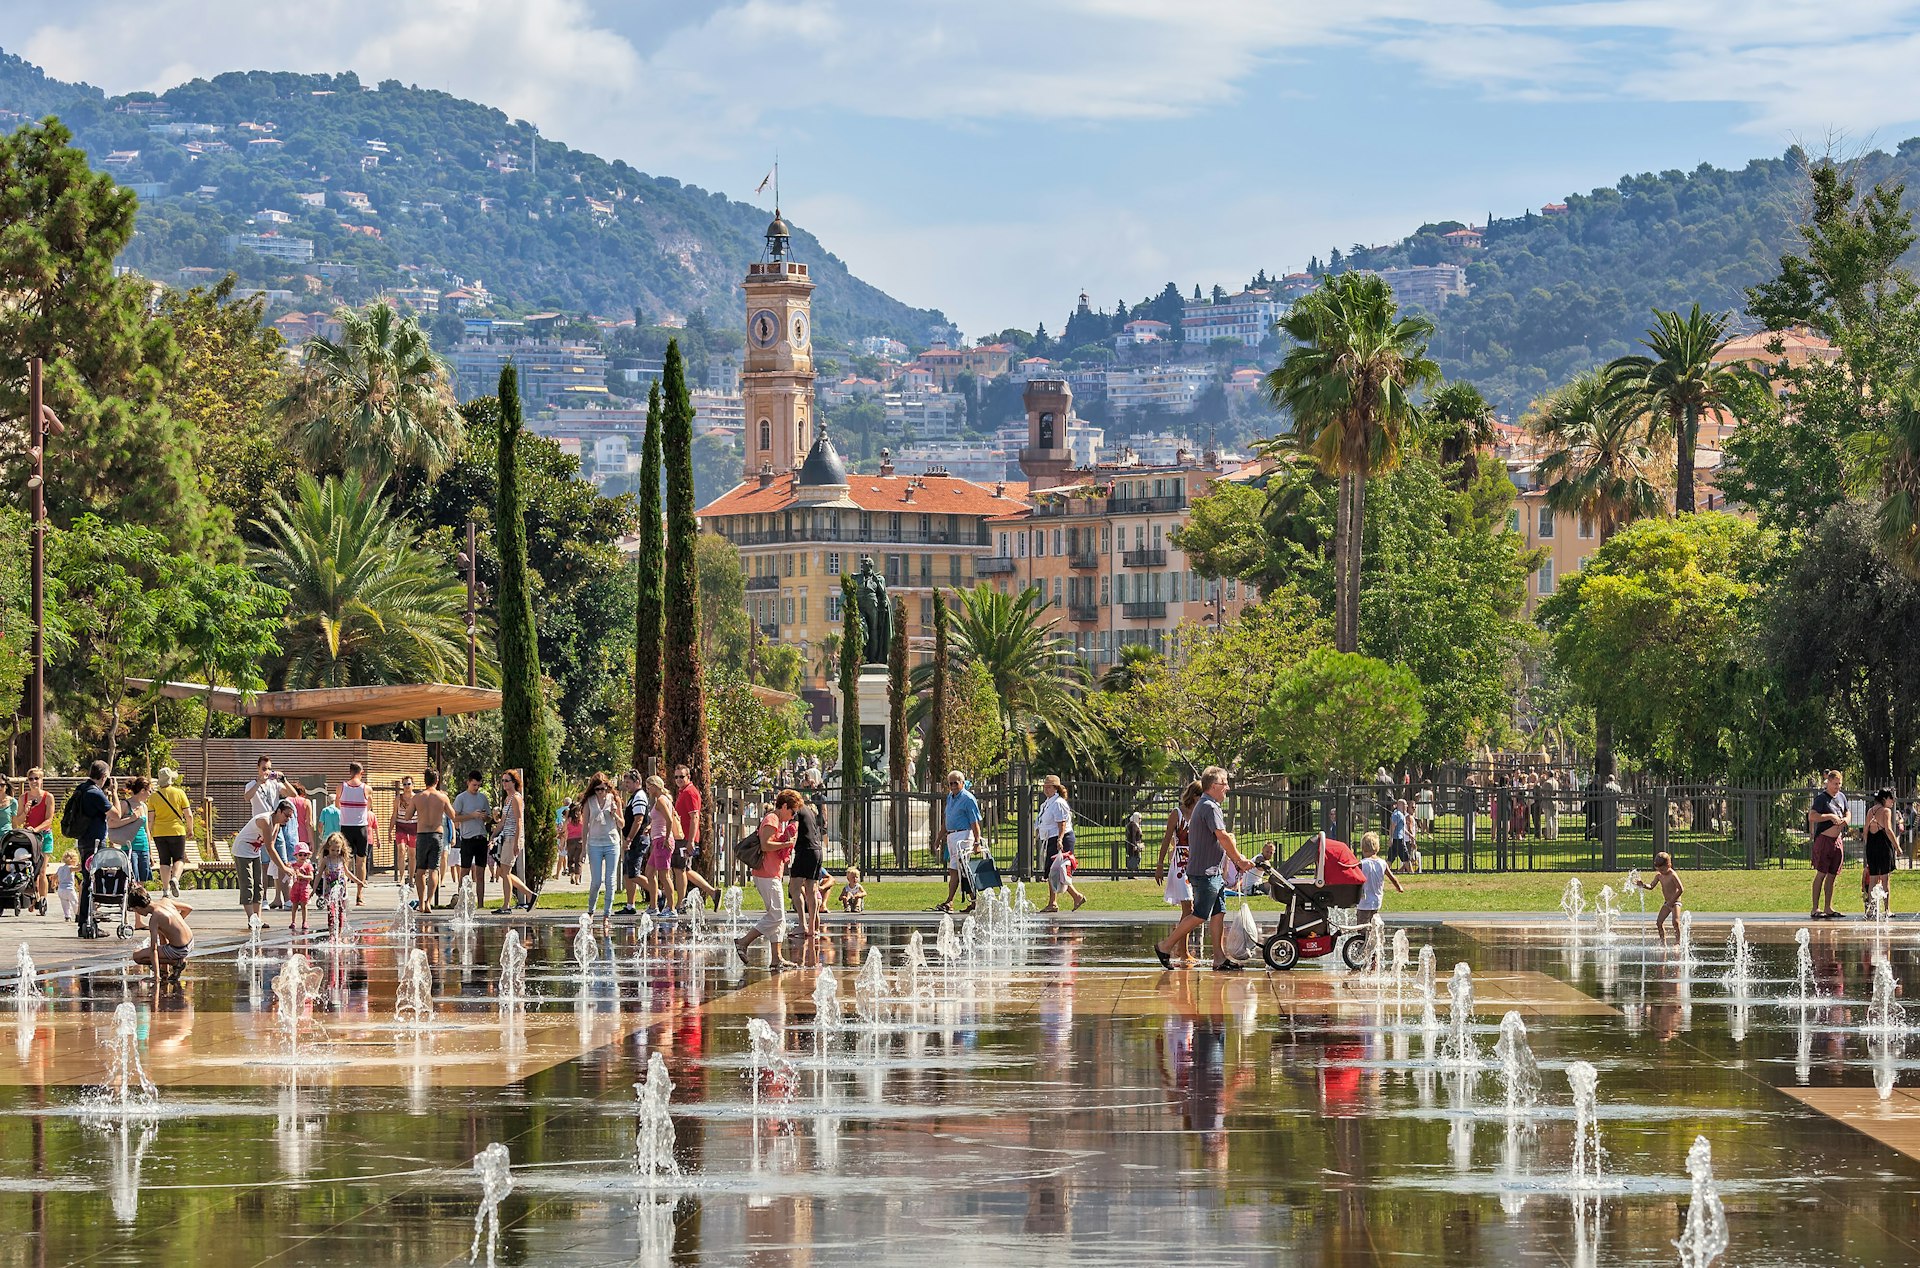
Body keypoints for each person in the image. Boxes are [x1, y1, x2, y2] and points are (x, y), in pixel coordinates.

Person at [1153, 767, 1254, 973]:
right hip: (1205, 871)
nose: (1227, 787)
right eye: (1225, 783)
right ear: (1214, 786)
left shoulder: (1206, 805)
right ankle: (1165, 946)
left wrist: (1235, 859)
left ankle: (1219, 958)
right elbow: (1223, 836)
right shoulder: (1209, 806)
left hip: (1211, 871)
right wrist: (1239, 860)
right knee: (1199, 914)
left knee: (1218, 913)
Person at [736, 788, 799, 968]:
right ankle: (743, 942)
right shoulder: (772, 819)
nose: (792, 816)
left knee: (779, 918)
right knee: (777, 916)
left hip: (772, 873)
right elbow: (765, 845)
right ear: (784, 806)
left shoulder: (777, 821)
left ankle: (776, 958)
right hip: (766, 874)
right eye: (792, 811)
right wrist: (788, 843)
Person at [232, 798, 296, 922]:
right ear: (278, 811)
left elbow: (271, 846)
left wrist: (283, 864)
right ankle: (252, 919)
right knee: (248, 884)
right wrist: (283, 867)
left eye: (290, 817)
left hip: (255, 852)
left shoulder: (277, 825)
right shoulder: (265, 821)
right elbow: (269, 848)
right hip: (242, 850)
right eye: (286, 815)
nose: (287, 819)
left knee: (259, 885)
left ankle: (258, 919)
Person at [71, 760, 112, 937]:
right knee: (93, 882)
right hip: (95, 843)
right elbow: (115, 815)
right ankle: (88, 923)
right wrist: (114, 794)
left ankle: (84, 922)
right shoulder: (96, 793)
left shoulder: (81, 788)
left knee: (88, 880)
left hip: (83, 841)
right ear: (103, 776)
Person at [1156, 782, 1202, 939]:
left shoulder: (1200, 813)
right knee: (1188, 908)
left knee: (1191, 909)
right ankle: (1180, 949)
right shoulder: (1177, 813)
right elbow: (1167, 838)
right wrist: (1160, 864)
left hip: (1195, 863)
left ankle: (1180, 947)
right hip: (1180, 864)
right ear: (1195, 796)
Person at [935, 769, 983, 914]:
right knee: (955, 870)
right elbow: (947, 820)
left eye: (956, 783)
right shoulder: (950, 797)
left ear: (962, 783)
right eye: (951, 784)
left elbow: (974, 822)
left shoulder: (968, 798)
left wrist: (977, 841)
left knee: (962, 870)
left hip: (963, 836)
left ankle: (956, 901)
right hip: (952, 836)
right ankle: (964, 901)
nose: (953, 786)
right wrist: (938, 838)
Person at [672, 764, 718, 911]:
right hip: (682, 836)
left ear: (688, 777)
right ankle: (712, 892)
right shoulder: (683, 792)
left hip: (685, 837)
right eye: (676, 777)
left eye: (682, 776)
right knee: (685, 869)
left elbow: (695, 817)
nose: (679, 779)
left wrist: (691, 840)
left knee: (679, 869)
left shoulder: (690, 792)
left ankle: (680, 903)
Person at [491, 770, 538, 913]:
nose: (504, 783)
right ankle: (529, 894)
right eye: (503, 781)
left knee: (505, 871)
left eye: (507, 781)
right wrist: (493, 836)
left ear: (514, 782)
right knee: (502, 872)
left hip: (513, 838)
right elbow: (503, 822)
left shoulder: (516, 798)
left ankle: (506, 905)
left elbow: (519, 821)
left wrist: (517, 841)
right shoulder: (507, 799)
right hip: (506, 837)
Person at [579, 773, 623, 921]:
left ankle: (606, 914)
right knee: (596, 881)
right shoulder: (589, 802)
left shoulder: (614, 800)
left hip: (611, 842)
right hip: (594, 843)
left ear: (607, 788)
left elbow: (622, 824)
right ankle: (591, 910)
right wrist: (583, 849)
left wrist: (615, 814)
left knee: (610, 881)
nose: (600, 792)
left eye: (603, 789)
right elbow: (585, 826)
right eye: (597, 789)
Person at [128, 885, 194, 983]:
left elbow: (153, 949)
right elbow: (189, 908)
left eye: (135, 910)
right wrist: (175, 924)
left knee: (137, 956)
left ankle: (176, 962)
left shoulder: (155, 918)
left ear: (138, 907)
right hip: (190, 942)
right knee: (161, 931)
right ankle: (164, 970)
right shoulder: (166, 901)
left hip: (179, 950)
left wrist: (155, 976)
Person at [411, 769, 454, 911]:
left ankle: (421, 903)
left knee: (420, 870)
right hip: (436, 834)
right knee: (434, 869)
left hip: (422, 835)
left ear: (425, 781)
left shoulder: (417, 797)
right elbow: (453, 815)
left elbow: (407, 816)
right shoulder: (442, 798)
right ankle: (429, 901)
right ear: (437, 781)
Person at [787, 792, 828, 941]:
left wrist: (787, 845)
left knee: (794, 887)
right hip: (817, 850)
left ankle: (802, 924)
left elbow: (794, 830)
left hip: (804, 851)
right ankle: (812, 927)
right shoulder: (809, 810)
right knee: (812, 889)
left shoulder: (797, 811)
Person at [148, 769, 195, 899]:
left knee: (164, 860)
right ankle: (175, 878)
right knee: (179, 858)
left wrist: (150, 832)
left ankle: (165, 890)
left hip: (159, 832)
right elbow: (188, 815)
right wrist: (190, 829)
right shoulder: (179, 793)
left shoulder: (153, 797)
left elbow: (151, 818)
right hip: (177, 830)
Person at [1808, 769, 1848, 920]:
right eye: (1834, 784)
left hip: (1837, 840)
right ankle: (1815, 908)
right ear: (1828, 783)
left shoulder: (1842, 797)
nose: (1837, 787)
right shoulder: (1821, 799)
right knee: (1821, 873)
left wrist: (1846, 820)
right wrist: (1830, 816)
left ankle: (1828, 907)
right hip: (1824, 839)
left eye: (1839, 784)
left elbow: (1847, 812)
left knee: (1832, 875)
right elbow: (1812, 816)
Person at [643, 774, 682, 916]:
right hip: (657, 840)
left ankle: (671, 908)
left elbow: (669, 820)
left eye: (649, 786)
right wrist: (650, 827)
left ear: (655, 786)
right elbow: (660, 819)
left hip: (662, 841)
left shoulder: (660, 800)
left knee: (664, 875)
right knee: (649, 872)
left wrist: (666, 838)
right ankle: (653, 906)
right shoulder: (662, 800)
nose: (647, 789)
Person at [452, 771, 491, 909]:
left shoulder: (483, 798)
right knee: (464, 872)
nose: (476, 788)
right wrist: (471, 815)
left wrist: (485, 817)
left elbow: (489, 817)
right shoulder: (461, 798)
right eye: (474, 785)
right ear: (468, 782)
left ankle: (480, 904)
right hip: (467, 838)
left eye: (478, 785)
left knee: (480, 873)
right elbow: (455, 818)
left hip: (481, 838)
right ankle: (462, 903)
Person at [1631, 851, 1686, 945]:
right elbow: (1651, 886)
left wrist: (1672, 901)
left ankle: (1678, 942)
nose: (1661, 872)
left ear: (1669, 865)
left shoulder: (1673, 875)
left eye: (1663, 870)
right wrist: (1643, 885)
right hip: (1667, 903)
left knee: (1675, 922)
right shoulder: (1659, 876)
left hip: (1675, 902)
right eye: (1659, 870)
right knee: (1659, 922)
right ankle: (1663, 942)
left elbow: (1681, 889)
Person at [337, 761, 372, 905]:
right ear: (361, 772)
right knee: (361, 861)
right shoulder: (367, 788)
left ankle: (343, 893)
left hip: (346, 827)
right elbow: (369, 806)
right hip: (361, 827)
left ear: (349, 771)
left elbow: (336, 804)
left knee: (344, 862)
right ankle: (360, 895)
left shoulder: (341, 787)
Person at [108, 776, 154, 885]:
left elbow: (147, 829)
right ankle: (130, 900)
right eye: (149, 791)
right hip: (129, 847)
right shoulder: (125, 804)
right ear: (142, 791)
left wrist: (150, 852)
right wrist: (131, 818)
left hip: (144, 847)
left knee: (142, 880)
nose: (150, 794)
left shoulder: (144, 806)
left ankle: (139, 901)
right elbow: (111, 823)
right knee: (132, 879)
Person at [1864, 789, 1903, 914]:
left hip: (1871, 845)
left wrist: (1867, 845)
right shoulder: (1886, 811)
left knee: (1873, 878)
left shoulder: (1871, 811)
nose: (1893, 801)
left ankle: (1870, 909)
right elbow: (1888, 830)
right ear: (1885, 798)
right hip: (1883, 846)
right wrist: (1897, 847)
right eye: (1892, 798)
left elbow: (1865, 830)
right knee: (1885, 878)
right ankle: (1887, 909)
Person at [618, 769, 650, 917]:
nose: (626, 786)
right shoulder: (633, 797)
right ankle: (630, 904)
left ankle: (659, 894)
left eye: (629, 783)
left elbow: (638, 819)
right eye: (625, 783)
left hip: (637, 840)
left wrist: (629, 839)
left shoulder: (639, 796)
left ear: (638, 782)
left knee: (634, 874)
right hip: (632, 839)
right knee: (627, 873)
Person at [19, 770, 53, 904]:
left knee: (42, 870)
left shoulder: (48, 797)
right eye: (31, 779)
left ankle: (43, 900)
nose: (34, 782)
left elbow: (49, 819)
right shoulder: (23, 798)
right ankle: (33, 896)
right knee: (30, 870)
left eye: (36, 778)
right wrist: (25, 811)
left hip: (44, 836)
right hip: (29, 838)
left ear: (41, 780)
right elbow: (17, 821)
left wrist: (37, 829)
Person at [1356, 832, 1405, 925]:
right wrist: (1399, 887)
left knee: (1362, 927)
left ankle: (1362, 939)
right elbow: (1392, 878)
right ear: (1378, 848)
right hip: (1376, 900)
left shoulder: (1362, 864)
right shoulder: (1382, 863)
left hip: (1364, 902)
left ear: (1362, 848)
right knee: (1374, 925)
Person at [1037, 775, 1074, 881]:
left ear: (1055, 788)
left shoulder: (1058, 803)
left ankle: (1077, 896)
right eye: (1045, 787)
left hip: (1061, 839)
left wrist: (1060, 839)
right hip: (1050, 839)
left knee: (1059, 872)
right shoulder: (1047, 803)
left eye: (1049, 787)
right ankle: (1053, 898)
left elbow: (1062, 824)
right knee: (1051, 873)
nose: (1046, 789)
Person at [1044, 835, 1087, 912]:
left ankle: (1054, 903)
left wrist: (1059, 839)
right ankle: (1075, 897)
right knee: (1055, 873)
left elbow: (1062, 823)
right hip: (1055, 838)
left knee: (1055, 873)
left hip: (1059, 839)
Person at [319, 833, 351, 935]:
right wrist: (313, 890)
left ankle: (339, 934)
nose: (335, 852)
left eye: (338, 850)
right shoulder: (326, 860)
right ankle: (331, 934)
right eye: (333, 850)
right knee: (331, 911)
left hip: (341, 890)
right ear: (328, 847)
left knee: (341, 911)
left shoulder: (341, 859)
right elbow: (319, 875)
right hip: (329, 890)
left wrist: (359, 882)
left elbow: (347, 873)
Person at [393, 775, 418, 884]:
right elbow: (394, 815)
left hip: (414, 826)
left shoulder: (417, 798)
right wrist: (390, 830)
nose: (407, 786)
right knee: (401, 850)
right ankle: (402, 877)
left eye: (409, 784)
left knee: (412, 854)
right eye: (404, 784)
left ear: (413, 785)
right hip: (401, 826)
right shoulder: (398, 799)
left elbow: (421, 815)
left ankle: (411, 877)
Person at [286, 842, 315, 933]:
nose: (303, 857)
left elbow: (311, 877)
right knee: (294, 905)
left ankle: (304, 921)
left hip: (304, 888)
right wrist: (287, 868)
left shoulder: (308, 866)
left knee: (304, 905)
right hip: (295, 888)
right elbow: (288, 873)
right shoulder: (294, 866)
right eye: (300, 854)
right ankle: (293, 921)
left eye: (305, 855)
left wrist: (302, 876)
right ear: (296, 855)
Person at [563, 802, 585, 884]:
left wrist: (564, 843)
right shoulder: (581, 819)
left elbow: (565, 831)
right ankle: (577, 879)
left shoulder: (569, 820)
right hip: (580, 841)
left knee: (571, 859)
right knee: (578, 860)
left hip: (570, 841)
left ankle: (571, 875)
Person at [54, 848, 78, 920]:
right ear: (74, 860)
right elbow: (79, 869)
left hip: (61, 889)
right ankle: (77, 914)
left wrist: (54, 883)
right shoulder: (71, 868)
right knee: (75, 903)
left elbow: (55, 876)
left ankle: (67, 916)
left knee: (64, 904)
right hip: (69, 889)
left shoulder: (60, 868)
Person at [1387, 799, 1412, 869]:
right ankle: (1412, 873)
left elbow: (1402, 828)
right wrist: (1391, 838)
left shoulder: (1400, 814)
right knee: (1406, 858)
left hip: (1397, 839)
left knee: (1390, 859)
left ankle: (1384, 872)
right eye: (1405, 805)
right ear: (1401, 805)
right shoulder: (1398, 814)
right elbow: (1392, 826)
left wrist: (1410, 835)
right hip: (1398, 840)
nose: (1407, 807)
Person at [1124, 812, 1145, 877]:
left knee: (1134, 858)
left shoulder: (1133, 824)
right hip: (1133, 845)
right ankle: (1131, 873)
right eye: (1139, 818)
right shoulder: (1133, 825)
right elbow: (1133, 836)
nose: (1140, 820)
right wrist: (1134, 845)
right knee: (1134, 858)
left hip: (1133, 844)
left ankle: (1132, 873)